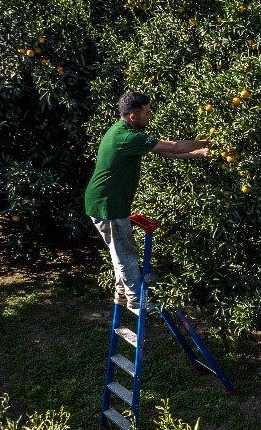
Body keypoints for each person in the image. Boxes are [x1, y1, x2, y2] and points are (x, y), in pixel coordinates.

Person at [83, 90, 211, 310]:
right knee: (125, 253)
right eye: (147, 113)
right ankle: (136, 299)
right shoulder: (127, 137)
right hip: (108, 205)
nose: (150, 116)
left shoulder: (121, 131)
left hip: (103, 202)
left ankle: (122, 293)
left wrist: (199, 153)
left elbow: (167, 153)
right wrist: (210, 141)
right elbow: (173, 146)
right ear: (134, 116)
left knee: (119, 251)